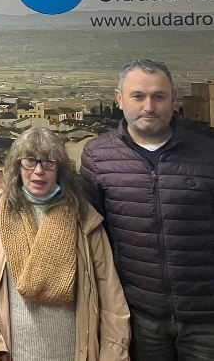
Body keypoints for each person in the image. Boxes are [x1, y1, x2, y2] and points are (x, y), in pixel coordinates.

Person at [81, 59, 214, 360]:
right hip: (139, 316)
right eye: (138, 96)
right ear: (119, 99)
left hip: (206, 317)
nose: (149, 107)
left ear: (173, 97)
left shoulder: (208, 152)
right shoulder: (98, 155)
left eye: (158, 96)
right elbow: (94, 234)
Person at [0, 128, 130, 361]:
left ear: (60, 169)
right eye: (30, 161)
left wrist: (114, 354)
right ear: (17, 166)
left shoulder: (84, 218)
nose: (38, 171)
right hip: (11, 352)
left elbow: (110, 294)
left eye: (49, 162)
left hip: (74, 351)